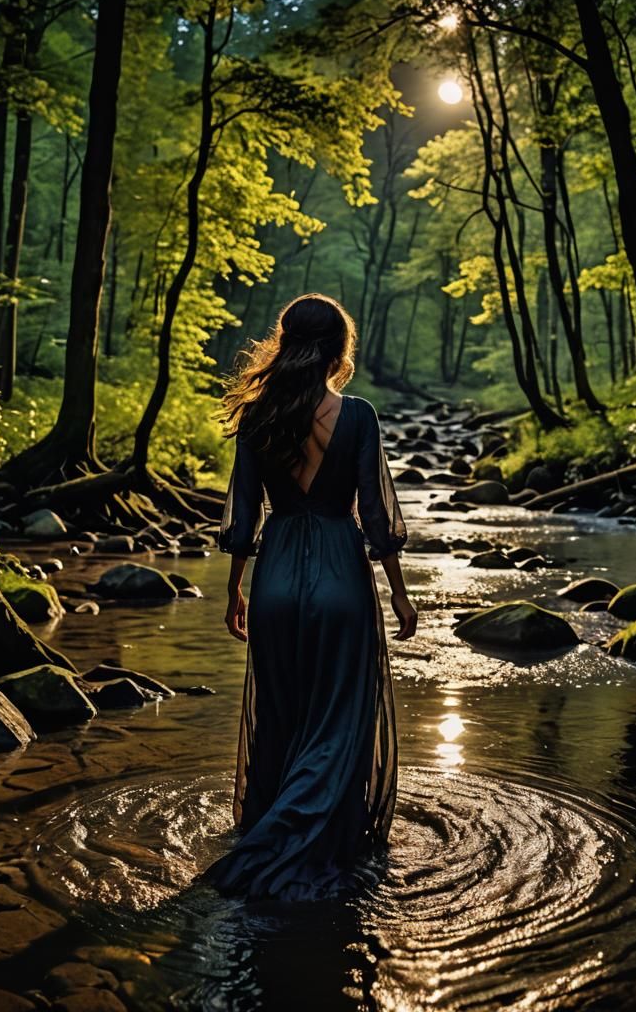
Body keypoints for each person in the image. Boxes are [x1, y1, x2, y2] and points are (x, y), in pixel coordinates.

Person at [199, 292, 417, 903]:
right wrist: (399, 595)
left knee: (282, 717)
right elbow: (375, 516)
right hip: (340, 580)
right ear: (338, 349)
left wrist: (235, 588)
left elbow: (244, 511)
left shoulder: (257, 417)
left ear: (286, 343)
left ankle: (266, 829)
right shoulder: (359, 417)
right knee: (338, 718)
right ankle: (317, 839)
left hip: (274, 577)